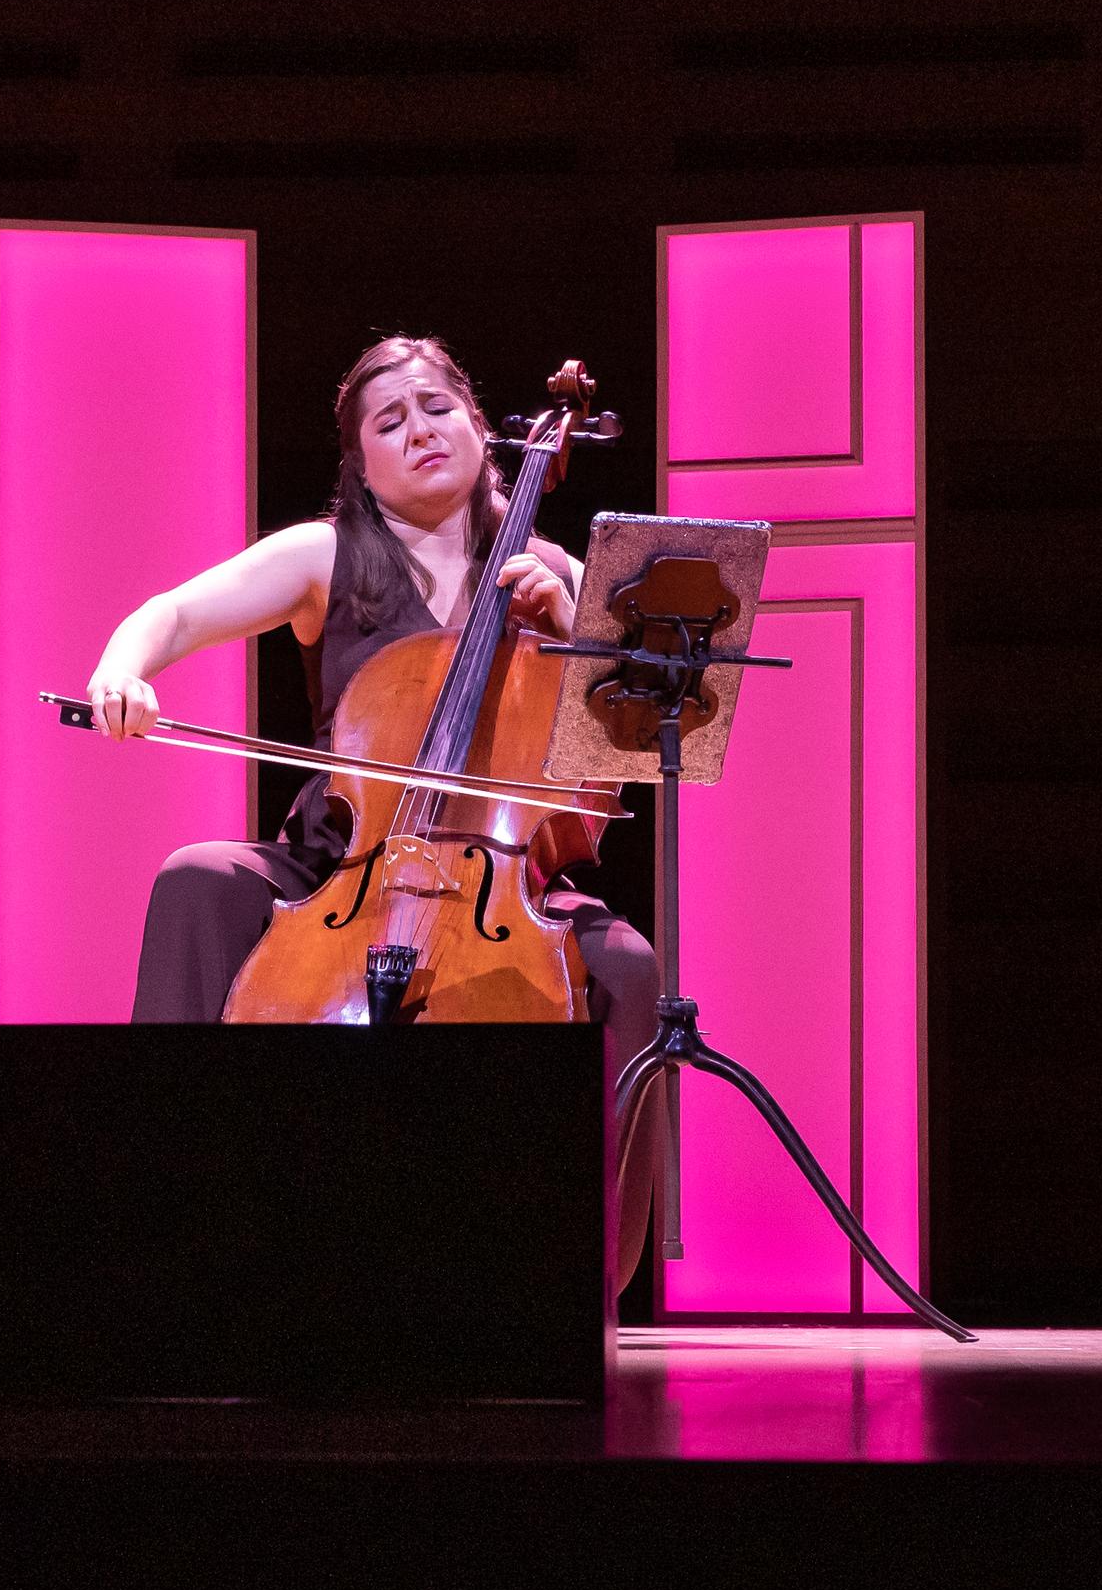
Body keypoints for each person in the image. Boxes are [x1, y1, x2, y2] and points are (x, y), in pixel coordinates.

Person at [84, 333, 666, 1292]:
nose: (421, 432)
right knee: (196, 880)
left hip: (500, 880)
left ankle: (588, 1276)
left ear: (483, 429)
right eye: (389, 423)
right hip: (339, 868)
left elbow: (623, 758)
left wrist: (579, 635)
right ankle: (165, 1201)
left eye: (438, 409)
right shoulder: (327, 555)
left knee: (630, 966)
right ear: (360, 461)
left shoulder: (552, 569)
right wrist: (121, 670)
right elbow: (175, 615)